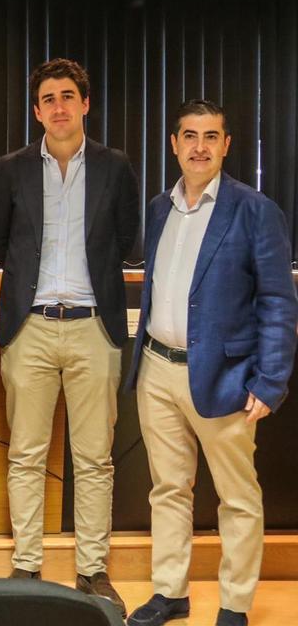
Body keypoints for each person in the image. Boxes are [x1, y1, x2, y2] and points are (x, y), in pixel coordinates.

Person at [124, 100, 296, 626]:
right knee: (168, 489)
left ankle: (235, 604)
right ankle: (171, 592)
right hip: (157, 368)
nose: (200, 146)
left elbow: (277, 300)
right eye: (190, 135)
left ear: (226, 145)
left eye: (211, 136)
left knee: (237, 497)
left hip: (225, 378)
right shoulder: (159, 208)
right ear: (174, 144)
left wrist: (269, 381)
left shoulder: (254, 210)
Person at [0, 58, 138, 615]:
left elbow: (126, 240)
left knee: (94, 459)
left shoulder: (116, 167)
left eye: (68, 96)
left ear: (85, 104)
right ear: (37, 110)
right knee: (26, 453)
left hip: (95, 328)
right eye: (48, 98)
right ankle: (26, 565)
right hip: (30, 329)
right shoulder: (11, 168)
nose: (59, 106)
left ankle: (92, 570)